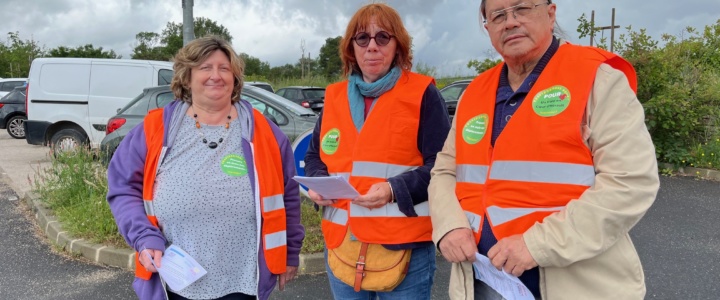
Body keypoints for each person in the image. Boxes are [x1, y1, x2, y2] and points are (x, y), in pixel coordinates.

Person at [428, 0, 659, 299]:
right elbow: (445, 170)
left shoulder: (597, 78)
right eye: (497, 15)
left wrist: (537, 245)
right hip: (482, 281)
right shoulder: (475, 93)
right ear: (488, 29)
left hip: (576, 285)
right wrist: (449, 226)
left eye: (522, 8)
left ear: (550, 14)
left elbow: (631, 182)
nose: (510, 22)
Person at [106, 36, 304, 300]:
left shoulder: (265, 131)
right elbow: (122, 188)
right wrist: (143, 236)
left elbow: (287, 195)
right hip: (174, 280)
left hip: (243, 278)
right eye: (205, 68)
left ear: (234, 78)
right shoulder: (156, 129)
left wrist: (290, 251)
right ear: (186, 78)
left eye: (224, 68)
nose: (216, 75)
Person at [303, 3, 451, 299]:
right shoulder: (333, 97)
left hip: (404, 247)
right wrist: (318, 182)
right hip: (342, 242)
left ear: (398, 46)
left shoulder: (422, 93)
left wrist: (392, 189)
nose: (372, 46)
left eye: (382, 37)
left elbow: (442, 165)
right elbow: (314, 156)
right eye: (362, 38)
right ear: (351, 48)